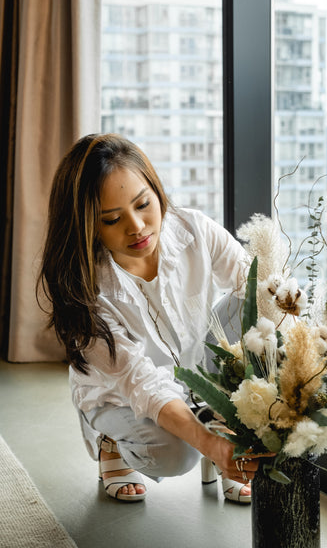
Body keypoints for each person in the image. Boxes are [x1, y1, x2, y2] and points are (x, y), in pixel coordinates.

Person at [37, 133, 271, 504]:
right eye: (112, 219)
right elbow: (143, 384)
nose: (137, 226)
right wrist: (207, 443)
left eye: (143, 204)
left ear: (155, 190)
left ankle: (225, 433)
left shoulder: (193, 229)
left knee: (258, 306)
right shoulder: (84, 292)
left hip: (195, 368)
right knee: (176, 456)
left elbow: (258, 287)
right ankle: (112, 442)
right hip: (121, 393)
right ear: (87, 227)